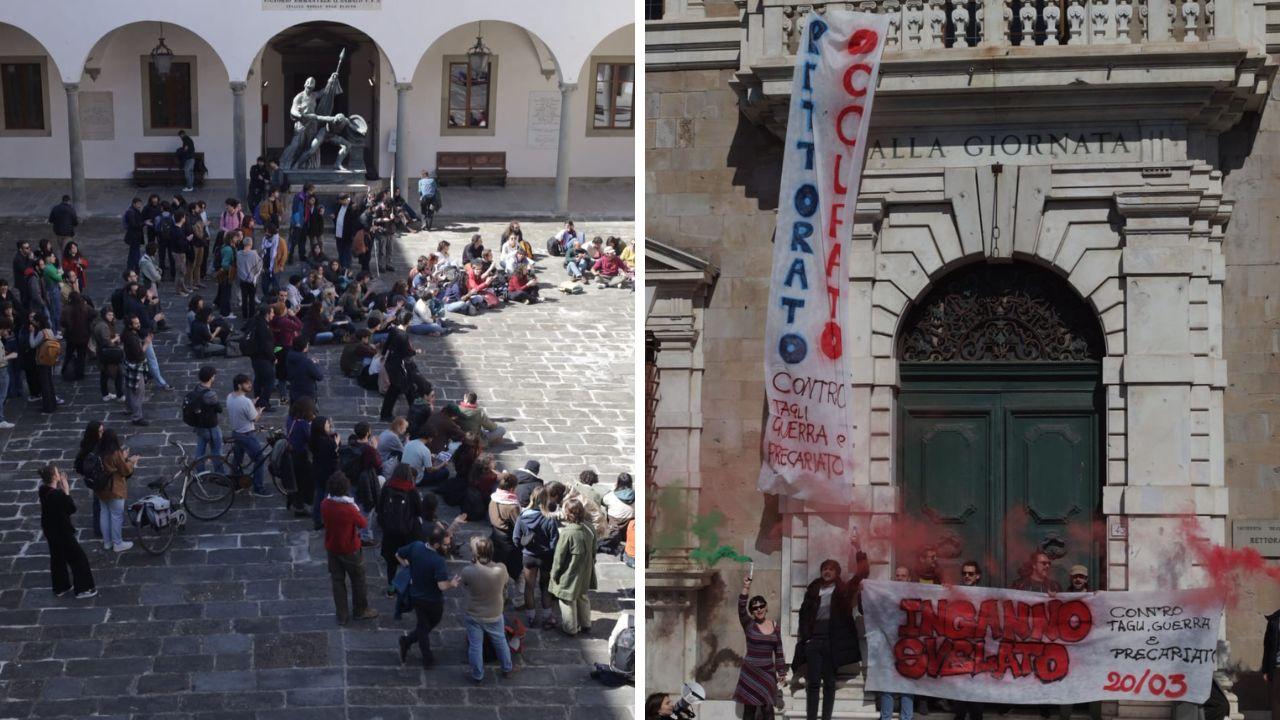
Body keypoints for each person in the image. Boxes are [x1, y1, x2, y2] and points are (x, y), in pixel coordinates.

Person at [797, 534, 869, 720]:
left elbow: (862, 573)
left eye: (831, 569)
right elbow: (803, 616)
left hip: (832, 642)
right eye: (825, 569)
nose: (827, 572)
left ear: (836, 573)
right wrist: (807, 639)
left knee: (829, 682)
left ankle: (826, 718)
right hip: (814, 642)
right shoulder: (812, 591)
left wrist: (858, 549)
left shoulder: (843, 590)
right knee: (813, 683)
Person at [396, 525, 459, 668]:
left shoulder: (416, 546)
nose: (447, 547)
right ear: (436, 544)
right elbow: (442, 586)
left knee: (423, 626)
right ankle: (427, 658)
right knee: (426, 626)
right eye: (445, 544)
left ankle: (407, 641)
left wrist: (407, 567)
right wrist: (452, 584)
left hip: (416, 595)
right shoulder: (438, 561)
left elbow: (398, 554)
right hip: (432, 600)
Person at [321, 472, 379, 625]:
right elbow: (363, 523)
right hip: (350, 549)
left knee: (337, 581)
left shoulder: (325, 504)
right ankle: (360, 610)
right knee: (358, 580)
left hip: (332, 547)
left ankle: (342, 615)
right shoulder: (350, 509)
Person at [461, 536, 516, 682]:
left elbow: (465, 584)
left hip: (474, 614)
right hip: (494, 613)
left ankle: (477, 675)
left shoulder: (468, 571)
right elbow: (505, 583)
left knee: (475, 645)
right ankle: (507, 668)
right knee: (500, 641)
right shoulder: (501, 569)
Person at [39, 464, 97, 599]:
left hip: (50, 531)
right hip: (62, 532)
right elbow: (71, 508)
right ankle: (84, 589)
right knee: (79, 558)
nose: (59, 473)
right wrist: (66, 490)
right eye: (57, 472)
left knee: (57, 558)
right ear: (54, 477)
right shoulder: (58, 495)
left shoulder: (43, 490)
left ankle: (61, 587)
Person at [736, 574, 787, 720]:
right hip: (750, 672)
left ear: (766, 607)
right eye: (755, 608)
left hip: (767, 673)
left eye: (761, 606)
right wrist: (746, 586)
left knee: (767, 708)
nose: (758, 609)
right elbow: (741, 608)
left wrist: (781, 671)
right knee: (749, 709)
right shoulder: (749, 624)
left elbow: (778, 650)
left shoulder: (774, 626)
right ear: (752, 611)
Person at [549, 498, 596, 636]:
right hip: (585, 571)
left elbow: (559, 558)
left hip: (570, 574)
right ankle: (586, 624)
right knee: (582, 596)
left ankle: (571, 629)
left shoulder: (567, 533)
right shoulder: (589, 527)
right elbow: (594, 549)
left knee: (567, 599)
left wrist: (554, 575)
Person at [513, 485, 559, 628]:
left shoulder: (522, 517)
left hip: (529, 557)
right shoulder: (550, 519)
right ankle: (546, 617)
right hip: (545, 558)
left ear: (532, 498)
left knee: (529, 587)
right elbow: (554, 541)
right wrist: (549, 552)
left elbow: (516, 538)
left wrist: (525, 549)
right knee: (545, 587)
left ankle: (531, 618)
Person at [376, 463, 422, 594]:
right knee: (407, 560)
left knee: (391, 561)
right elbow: (418, 510)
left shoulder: (387, 486)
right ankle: (406, 585)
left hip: (390, 532)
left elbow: (380, 506)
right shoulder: (411, 490)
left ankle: (391, 587)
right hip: (407, 532)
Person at [227, 373, 271, 497]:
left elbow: (240, 409)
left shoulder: (230, 396)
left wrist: (251, 404)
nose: (250, 385)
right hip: (246, 434)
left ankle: (235, 483)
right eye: (247, 383)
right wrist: (259, 411)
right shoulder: (245, 401)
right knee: (259, 458)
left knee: (237, 460)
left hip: (236, 432)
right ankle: (258, 488)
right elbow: (254, 418)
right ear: (240, 385)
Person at [95, 429, 136, 553]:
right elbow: (125, 471)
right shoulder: (115, 453)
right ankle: (117, 543)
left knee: (104, 514)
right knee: (116, 516)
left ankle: (107, 542)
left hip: (101, 488)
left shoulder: (98, 452)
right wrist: (130, 461)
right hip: (114, 489)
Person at [953, 561, 984, 720]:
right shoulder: (954, 593)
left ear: (977, 576)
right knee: (959, 705)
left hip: (979, 654)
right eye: (964, 573)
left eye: (970, 574)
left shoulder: (986, 595)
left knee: (976, 706)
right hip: (958, 653)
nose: (967, 576)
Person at [488, 472, 523, 606]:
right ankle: (519, 601)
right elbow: (518, 525)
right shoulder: (512, 506)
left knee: (499, 570)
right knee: (518, 573)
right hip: (508, 542)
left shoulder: (493, 499)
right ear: (513, 488)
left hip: (495, 538)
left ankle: (503, 596)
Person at [187, 366, 225, 474]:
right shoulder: (210, 394)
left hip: (200, 426)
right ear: (211, 377)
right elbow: (220, 409)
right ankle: (220, 474)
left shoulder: (196, 389)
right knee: (217, 452)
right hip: (211, 427)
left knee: (200, 451)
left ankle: (200, 473)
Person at [309, 415, 340, 531]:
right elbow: (334, 455)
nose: (329, 426)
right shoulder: (328, 443)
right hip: (327, 472)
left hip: (317, 469)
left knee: (319, 494)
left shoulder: (314, 438)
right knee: (324, 496)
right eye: (327, 424)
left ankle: (317, 518)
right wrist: (336, 444)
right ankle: (323, 518)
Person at [245, 306, 277, 411]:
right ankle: (263, 403)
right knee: (270, 380)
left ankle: (258, 400)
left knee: (259, 378)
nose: (273, 315)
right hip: (263, 357)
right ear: (267, 314)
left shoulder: (255, 321)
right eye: (272, 313)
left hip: (255, 356)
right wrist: (273, 358)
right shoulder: (263, 326)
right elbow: (265, 345)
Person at [91, 306, 124, 402]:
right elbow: (107, 342)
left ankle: (105, 394)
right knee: (118, 373)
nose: (111, 317)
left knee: (104, 374)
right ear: (104, 315)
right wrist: (116, 339)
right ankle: (120, 395)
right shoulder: (103, 326)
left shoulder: (101, 324)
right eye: (109, 315)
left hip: (103, 353)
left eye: (112, 315)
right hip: (107, 354)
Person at [598, 473, 635, 555]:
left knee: (605, 508)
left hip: (615, 527)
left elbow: (602, 502)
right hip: (628, 528)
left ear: (618, 483)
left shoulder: (610, 496)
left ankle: (610, 531)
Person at [285, 336, 324, 404]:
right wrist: (315, 364)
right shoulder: (306, 362)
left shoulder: (290, 356)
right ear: (304, 347)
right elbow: (319, 376)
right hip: (307, 395)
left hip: (294, 391)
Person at [1265, 608, 1280, 720]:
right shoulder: (1274, 620)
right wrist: (1265, 669)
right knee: (1276, 700)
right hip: (1277, 666)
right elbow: (1267, 646)